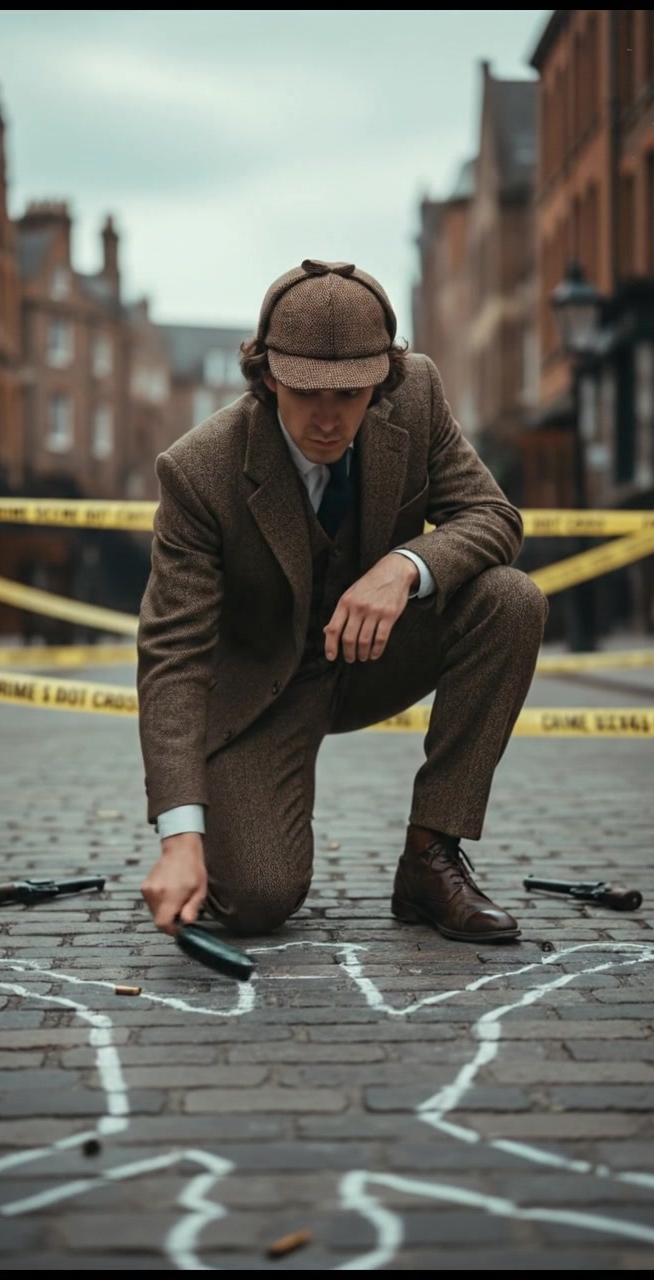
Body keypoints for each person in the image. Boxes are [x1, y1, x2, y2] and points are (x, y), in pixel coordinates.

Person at [136, 258, 548, 946]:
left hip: (375, 656)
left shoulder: (416, 397)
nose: (328, 419)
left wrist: (406, 566)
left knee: (511, 600)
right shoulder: (199, 470)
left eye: (351, 394)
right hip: (262, 692)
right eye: (306, 393)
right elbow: (172, 658)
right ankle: (226, 843)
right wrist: (179, 836)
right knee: (257, 898)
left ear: (381, 381)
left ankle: (429, 859)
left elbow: (493, 516)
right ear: (269, 376)